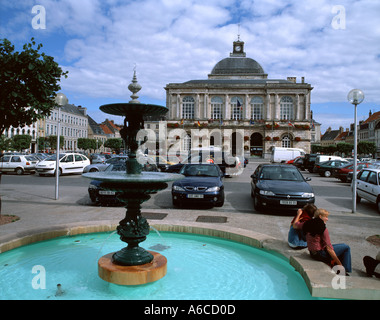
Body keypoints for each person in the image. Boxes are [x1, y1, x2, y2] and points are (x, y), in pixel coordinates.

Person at [303, 209, 352, 275]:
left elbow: (295, 225)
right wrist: (340, 265)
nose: (327, 219)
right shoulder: (323, 228)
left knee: (340, 247)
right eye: (326, 217)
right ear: (320, 216)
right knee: (346, 247)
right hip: (320, 254)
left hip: (312, 253)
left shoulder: (307, 224)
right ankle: (345, 270)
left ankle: (337, 267)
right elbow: (329, 248)